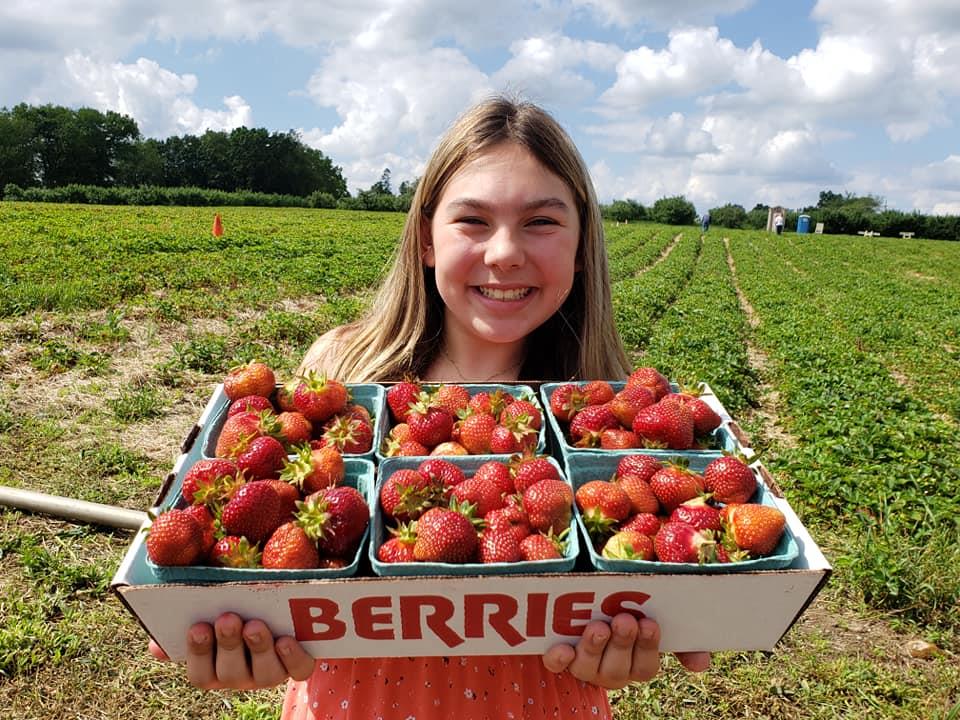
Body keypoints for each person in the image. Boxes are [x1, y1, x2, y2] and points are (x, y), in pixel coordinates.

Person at [149, 95, 711, 718]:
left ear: (581, 245)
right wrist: (227, 622)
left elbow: (661, 600)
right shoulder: (342, 372)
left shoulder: (602, 403)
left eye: (542, 222)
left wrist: (639, 636)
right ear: (425, 241)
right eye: (473, 220)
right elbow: (251, 534)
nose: (504, 253)